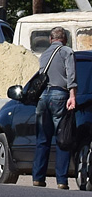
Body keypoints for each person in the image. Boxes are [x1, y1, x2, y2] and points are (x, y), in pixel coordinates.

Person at [33, 26, 77, 188]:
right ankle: (61, 180)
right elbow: (71, 75)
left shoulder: (44, 55)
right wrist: (72, 96)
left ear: (51, 40)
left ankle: (38, 178)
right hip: (59, 95)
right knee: (62, 138)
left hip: (43, 97)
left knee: (42, 140)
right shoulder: (67, 52)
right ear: (64, 39)